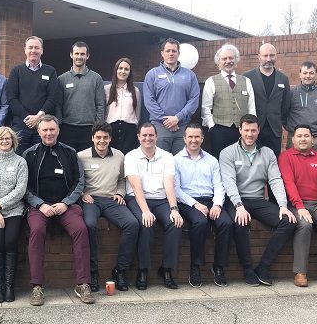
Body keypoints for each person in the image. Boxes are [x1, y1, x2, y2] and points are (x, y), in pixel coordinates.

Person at [23, 115, 94, 306]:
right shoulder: (29, 154)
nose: (48, 133)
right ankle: (37, 286)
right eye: (44, 130)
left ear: (58, 130)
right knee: (36, 231)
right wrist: (39, 204)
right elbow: (24, 186)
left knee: (80, 229)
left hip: (65, 206)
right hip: (40, 207)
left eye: (52, 129)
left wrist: (66, 202)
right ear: (38, 132)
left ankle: (82, 283)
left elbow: (80, 181)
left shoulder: (70, 153)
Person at [220, 114, 296, 286]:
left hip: (258, 200)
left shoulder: (267, 153)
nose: (249, 134)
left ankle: (263, 268)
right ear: (240, 130)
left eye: (253, 130)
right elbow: (229, 181)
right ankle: (247, 270)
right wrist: (238, 206)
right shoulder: (228, 152)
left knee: (288, 221)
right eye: (246, 130)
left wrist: (283, 205)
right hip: (236, 200)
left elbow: (275, 179)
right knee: (239, 222)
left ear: (258, 131)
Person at [278, 125, 317, 287]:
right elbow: (288, 183)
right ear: (293, 139)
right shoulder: (285, 157)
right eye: (299, 136)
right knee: (304, 225)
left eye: (306, 136)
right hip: (295, 204)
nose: (303, 139)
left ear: (312, 139)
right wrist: (299, 207)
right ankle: (301, 272)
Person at [79, 121, 137, 292]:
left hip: (112, 200)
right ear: (92, 138)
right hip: (91, 200)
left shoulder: (119, 156)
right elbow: (75, 180)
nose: (101, 141)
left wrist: (120, 193)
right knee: (89, 225)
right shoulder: (81, 156)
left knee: (132, 224)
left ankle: (120, 270)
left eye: (105, 137)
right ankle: (93, 272)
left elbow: (122, 180)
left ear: (110, 138)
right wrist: (82, 193)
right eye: (98, 137)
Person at [124, 123, 184, 290]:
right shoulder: (131, 156)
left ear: (156, 137)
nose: (148, 138)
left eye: (151, 135)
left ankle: (166, 269)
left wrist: (174, 209)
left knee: (175, 223)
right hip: (137, 199)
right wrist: (145, 211)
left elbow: (169, 185)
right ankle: (142, 270)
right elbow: (136, 187)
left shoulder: (167, 157)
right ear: (138, 137)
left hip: (161, 200)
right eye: (144, 135)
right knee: (146, 224)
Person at [174, 123, 232, 287]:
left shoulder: (212, 160)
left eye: (197, 137)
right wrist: (195, 205)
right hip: (188, 202)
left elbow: (219, 185)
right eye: (190, 137)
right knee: (200, 222)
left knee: (226, 223)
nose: (194, 140)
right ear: (184, 139)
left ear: (202, 138)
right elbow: (176, 190)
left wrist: (217, 205)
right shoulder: (176, 160)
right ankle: (196, 266)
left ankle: (219, 266)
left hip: (210, 200)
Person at [0, 126, 27, 302]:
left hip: (14, 209)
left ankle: (9, 286)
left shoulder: (20, 162)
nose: (4, 141)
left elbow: (20, 189)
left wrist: (1, 203)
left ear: (13, 140)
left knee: (10, 242)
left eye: (7, 138)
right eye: (1, 139)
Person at [143, 38, 200, 155]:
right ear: (162, 53)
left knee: (181, 164)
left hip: (182, 127)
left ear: (179, 54)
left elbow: (193, 100)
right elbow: (149, 101)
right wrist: (166, 120)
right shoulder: (152, 74)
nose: (171, 53)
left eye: (174, 51)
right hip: (159, 127)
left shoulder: (190, 75)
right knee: (159, 163)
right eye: (168, 51)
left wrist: (177, 118)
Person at [6, 36, 61, 154]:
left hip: (43, 126)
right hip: (21, 125)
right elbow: (11, 98)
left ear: (42, 50)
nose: (33, 50)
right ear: (25, 50)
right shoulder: (16, 71)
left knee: (41, 159)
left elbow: (53, 97)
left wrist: (38, 118)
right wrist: (27, 117)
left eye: (37, 48)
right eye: (30, 47)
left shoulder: (50, 71)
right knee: (19, 159)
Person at [202, 43, 256, 157]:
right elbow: (206, 108)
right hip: (219, 130)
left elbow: (251, 107)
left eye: (231, 58)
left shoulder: (246, 81)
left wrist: (251, 127)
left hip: (242, 131)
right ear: (219, 62)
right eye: (224, 58)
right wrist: (212, 127)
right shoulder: (211, 81)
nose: (228, 61)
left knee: (242, 160)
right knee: (219, 160)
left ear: (236, 60)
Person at [56, 41, 106, 152]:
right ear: (71, 55)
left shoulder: (96, 78)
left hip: (89, 128)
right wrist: (59, 126)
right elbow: (58, 105)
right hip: (67, 128)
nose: (79, 57)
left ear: (87, 56)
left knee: (86, 162)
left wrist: (97, 127)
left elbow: (100, 104)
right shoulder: (62, 79)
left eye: (82, 54)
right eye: (77, 53)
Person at [244, 43, 290, 157]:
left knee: (273, 160)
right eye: (265, 56)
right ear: (259, 56)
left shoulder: (283, 78)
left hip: (274, 129)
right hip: (254, 128)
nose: (268, 59)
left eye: (272, 55)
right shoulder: (247, 77)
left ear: (276, 56)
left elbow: (286, 103)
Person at [285, 61, 317, 151]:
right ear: (300, 74)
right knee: (292, 163)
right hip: (294, 137)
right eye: (305, 73)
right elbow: (283, 114)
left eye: (311, 73)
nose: (308, 76)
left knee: (313, 164)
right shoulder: (291, 93)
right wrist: (290, 130)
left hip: (314, 138)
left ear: (315, 74)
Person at [104, 57, 141, 154]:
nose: (123, 71)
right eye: (120, 68)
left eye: (126, 69)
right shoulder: (106, 89)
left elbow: (137, 112)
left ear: (130, 72)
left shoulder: (135, 91)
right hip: (111, 129)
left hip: (129, 131)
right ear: (116, 70)